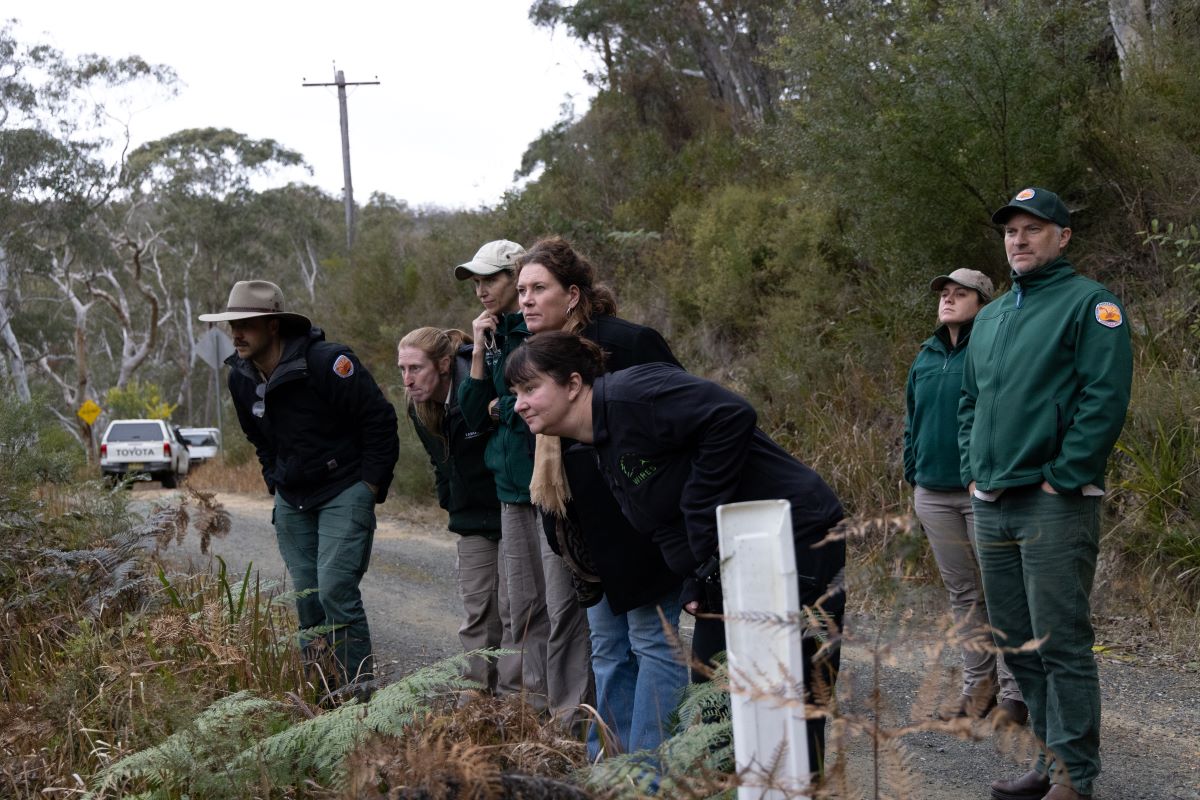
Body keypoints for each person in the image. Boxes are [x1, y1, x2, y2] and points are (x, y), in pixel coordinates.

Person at [505, 331, 846, 774]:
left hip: (794, 533)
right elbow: (660, 520)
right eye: (516, 393)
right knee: (714, 688)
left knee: (789, 694)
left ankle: (798, 785)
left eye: (531, 388)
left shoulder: (633, 395)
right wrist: (693, 574)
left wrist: (701, 514)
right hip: (732, 556)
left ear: (572, 384)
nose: (519, 404)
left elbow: (731, 414)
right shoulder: (599, 444)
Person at [960, 188, 1132, 800]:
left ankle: (1074, 777)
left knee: (1060, 641)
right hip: (992, 501)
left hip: (1053, 501)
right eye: (1011, 231)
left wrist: (1064, 473)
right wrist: (972, 467)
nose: (1019, 239)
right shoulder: (993, 314)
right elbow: (970, 401)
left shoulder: (1091, 305)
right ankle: (1048, 759)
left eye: (1035, 229)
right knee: (1017, 642)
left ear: (1063, 237)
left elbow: (1103, 398)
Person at [514, 236, 686, 757]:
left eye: (538, 288)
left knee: (654, 645)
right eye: (521, 289)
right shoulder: (533, 360)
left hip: (643, 528)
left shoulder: (628, 344)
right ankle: (613, 767)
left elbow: (683, 426)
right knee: (610, 652)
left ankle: (654, 773)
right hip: (587, 538)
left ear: (572, 294)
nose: (525, 300)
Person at [199, 280, 399, 686]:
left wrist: (369, 488)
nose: (236, 334)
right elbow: (260, 439)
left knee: (335, 592)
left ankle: (358, 703)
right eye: (230, 325)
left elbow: (379, 421)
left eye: (247, 324)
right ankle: (321, 697)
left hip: (344, 487)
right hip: (293, 499)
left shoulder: (328, 363)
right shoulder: (240, 379)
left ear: (273, 325)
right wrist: (275, 481)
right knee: (307, 602)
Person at [903, 268, 1027, 725]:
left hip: (983, 490)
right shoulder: (927, 354)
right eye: (945, 294)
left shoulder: (993, 346)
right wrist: (913, 471)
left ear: (983, 302)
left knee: (1002, 592)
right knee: (962, 593)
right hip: (933, 494)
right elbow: (911, 419)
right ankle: (979, 688)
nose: (949, 300)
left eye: (961, 293)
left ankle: (1017, 693)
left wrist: (988, 476)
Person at [453, 239, 558, 714]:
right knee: (520, 607)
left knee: (555, 606)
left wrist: (506, 406)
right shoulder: (492, 337)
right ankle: (521, 706)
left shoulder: (537, 335)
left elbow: (533, 408)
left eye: (490, 280)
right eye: (475, 282)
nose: (481, 291)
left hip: (547, 485)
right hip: (510, 488)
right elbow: (474, 417)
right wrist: (478, 352)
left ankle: (551, 704)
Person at [398, 326, 521, 697]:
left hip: (509, 506)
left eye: (416, 368)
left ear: (444, 364)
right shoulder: (418, 408)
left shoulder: (480, 384)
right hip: (470, 518)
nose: (408, 379)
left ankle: (516, 703)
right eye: (402, 369)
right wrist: (450, 500)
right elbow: (440, 463)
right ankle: (477, 700)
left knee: (514, 608)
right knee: (478, 613)